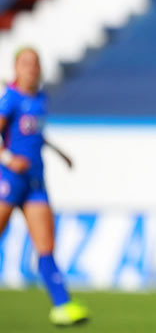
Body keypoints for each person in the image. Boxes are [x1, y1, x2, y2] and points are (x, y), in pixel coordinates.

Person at [0, 47, 89, 326]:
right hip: (9, 180)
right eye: (26, 63)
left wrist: (60, 153)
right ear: (16, 68)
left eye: (35, 63)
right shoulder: (10, 100)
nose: (31, 69)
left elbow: (34, 133)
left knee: (46, 245)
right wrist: (8, 158)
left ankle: (62, 305)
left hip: (35, 180)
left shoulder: (40, 98)